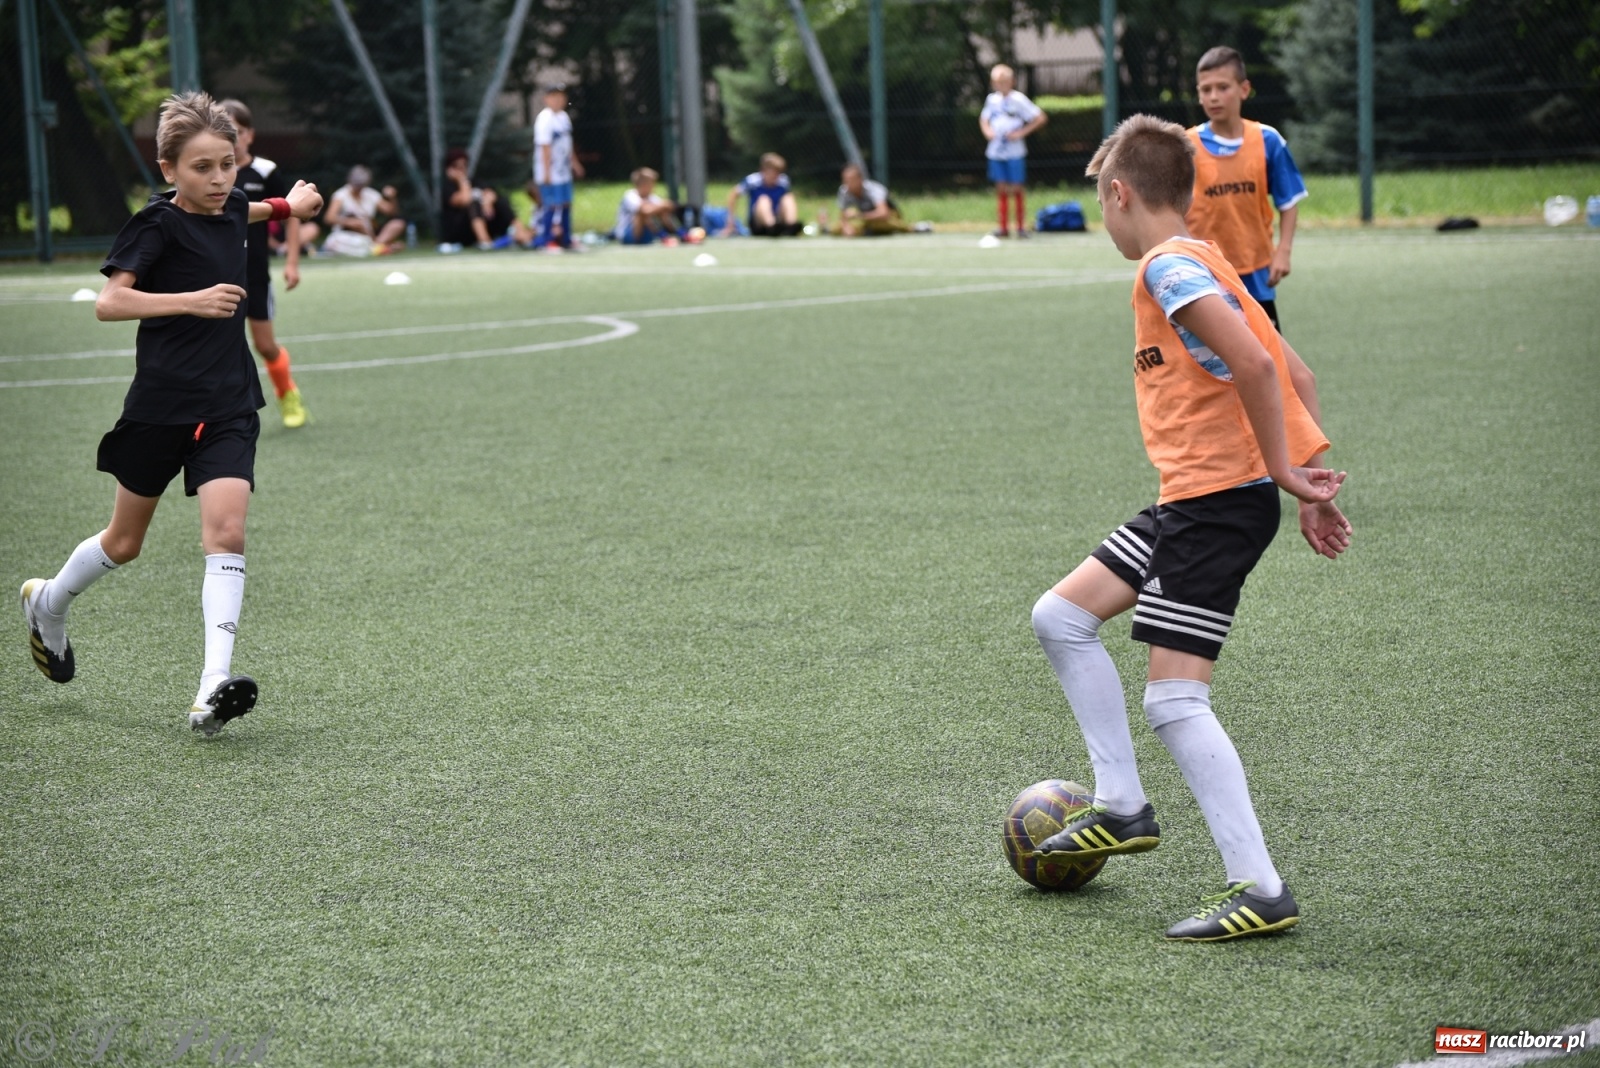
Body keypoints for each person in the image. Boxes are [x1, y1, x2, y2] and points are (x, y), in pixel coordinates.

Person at [1027, 114, 1351, 941]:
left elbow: (1252, 363)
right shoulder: (1206, 257)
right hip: (1193, 499)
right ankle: (1123, 806)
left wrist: (1284, 474)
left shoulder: (1171, 267)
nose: (1104, 221)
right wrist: (1311, 488)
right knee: (1061, 617)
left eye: (1102, 206)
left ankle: (1260, 888)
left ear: (1120, 193)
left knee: (1175, 699)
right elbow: (1299, 371)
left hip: (1219, 502)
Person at [19, 91, 322, 735]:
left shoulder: (235, 204)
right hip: (162, 406)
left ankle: (212, 687)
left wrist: (292, 206)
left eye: (227, 165)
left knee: (227, 535)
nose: (218, 180)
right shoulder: (154, 226)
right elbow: (109, 304)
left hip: (230, 402)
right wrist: (191, 300)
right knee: (124, 543)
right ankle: (48, 603)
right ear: (168, 170)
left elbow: (260, 208)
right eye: (202, 168)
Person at [1185, 46, 1308, 331]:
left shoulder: (1268, 140)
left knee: (1268, 360)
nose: (1213, 96)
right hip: (1205, 274)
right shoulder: (1186, 146)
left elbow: (1288, 202)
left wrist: (1283, 251)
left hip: (1255, 273)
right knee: (1212, 366)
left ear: (1244, 89)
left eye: (1222, 87)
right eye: (1205, 89)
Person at [218, 99, 310, 429]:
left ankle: (288, 393)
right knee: (216, 349)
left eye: (237, 132)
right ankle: (217, 416)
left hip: (254, 275)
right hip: (216, 278)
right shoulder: (211, 174)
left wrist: (292, 261)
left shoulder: (266, 171)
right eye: (223, 131)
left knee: (265, 346)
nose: (231, 138)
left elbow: (293, 212)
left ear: (250, 135)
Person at [979, 64, 1047, 238]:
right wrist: (988, 132)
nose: (1001, 85)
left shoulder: (1018, 99)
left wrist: (1020, 133)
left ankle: (1020, 227)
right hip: (996, 152)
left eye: (1005, 81)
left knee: (1016, 188)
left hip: (1015, 152)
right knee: (1001, 187)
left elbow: (1040, 118)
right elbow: (984, 119)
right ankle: (1003, 228)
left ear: (1012, 81)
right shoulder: (991, 100)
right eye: (998, 82)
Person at [438, 148, 525, 251]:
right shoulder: (448, 187)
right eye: (456, 166)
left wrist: (487, 202)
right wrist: (462, 181)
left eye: (464, 165)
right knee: (474, 204)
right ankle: (485, 241)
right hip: (460, 230)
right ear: (449, 169)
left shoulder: (475, 182)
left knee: (501, 202)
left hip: (485, 221)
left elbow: (491, 194)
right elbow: (465, 200)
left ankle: (523, 235)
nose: (461, 169)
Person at [533, 84, 583, 251]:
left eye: (561, 96)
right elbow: (545, 147)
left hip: (563, 172)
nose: (557, 100)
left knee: (566, 204)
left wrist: (575, 164)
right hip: (550, 172)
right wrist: (546, 173)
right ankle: (547, 242)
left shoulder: (563, 117)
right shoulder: (544, 118)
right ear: (546, 99)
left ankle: (566, 240)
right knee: (551, 205)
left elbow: (567, 144)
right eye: (553, 96)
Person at [322, 165, 405, 256]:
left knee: (397, 224)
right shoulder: (340, 195)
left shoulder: (370, 194)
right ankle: (381, 248)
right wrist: (350, 222)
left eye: (361, 184)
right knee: (357, 230)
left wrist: (392, 198)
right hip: (347, 233)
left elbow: (391, 212)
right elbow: (329, 218)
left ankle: (377, 245)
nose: (358, 187)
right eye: (356, 184)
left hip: (370, 233)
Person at [819, 162, 910, 237]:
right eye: (845, 180)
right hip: (865, 219)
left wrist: (859, 216)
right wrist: (846, 228)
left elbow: (883, 213)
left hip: (887, 217)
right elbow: (843, 215)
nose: (847, 184)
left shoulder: (874, 189)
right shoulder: (844, 191)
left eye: (850, 181)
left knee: (877, 224)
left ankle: (911, 228)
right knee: (836, 228)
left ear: (860, 179)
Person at [723, 153, 801, 237]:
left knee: (788, 198)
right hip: (758, 224)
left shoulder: (783, 181)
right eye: (774, 171)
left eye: (778, 172)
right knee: (764, 200)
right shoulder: (752, 181)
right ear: (763, 170)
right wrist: (730, 222)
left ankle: (791, 225)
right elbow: (733, 195)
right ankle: (771, 226)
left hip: (778, 218)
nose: (776, 175)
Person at [614, 167, 680, 245]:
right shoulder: (630, 195)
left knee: (661, 211)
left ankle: (680, 233)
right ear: (642, 184)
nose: (653, 186)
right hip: (628, 234)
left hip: (646, 233)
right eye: (651, 182)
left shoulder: (651, 197)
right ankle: (664, 236)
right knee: (642, 214)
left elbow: (669, 206)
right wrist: (660, 206)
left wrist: (661, 207)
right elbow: (644, 211)